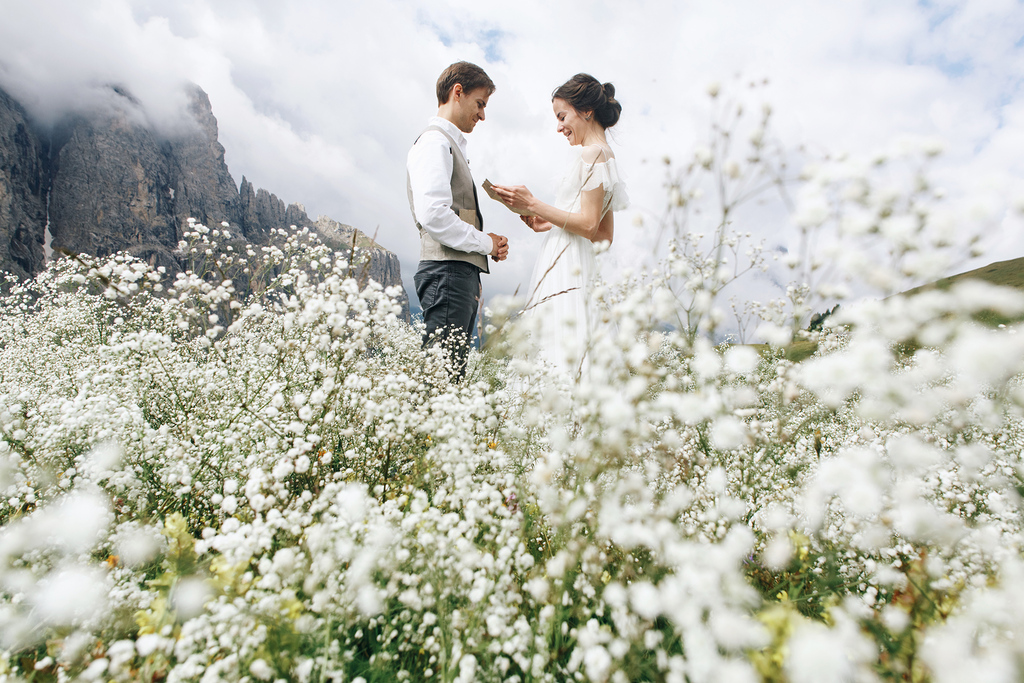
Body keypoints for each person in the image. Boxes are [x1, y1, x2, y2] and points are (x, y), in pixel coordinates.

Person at [491, 73, 628, 378]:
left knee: (558, 351)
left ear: (586, 111)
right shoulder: (604, 155)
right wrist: (550, 223)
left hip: (568, 267)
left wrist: (532, 204)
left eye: (562, 116)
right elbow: (604, 236)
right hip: (577, 262)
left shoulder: (594, 154)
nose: (558, 127)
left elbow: (591, 225)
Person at [407, 62, 509, 380]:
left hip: (456, 276)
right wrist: (486, 242)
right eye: (480, 104)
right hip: (446, 275)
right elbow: (433, 214)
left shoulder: (449, 146)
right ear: (458, 92)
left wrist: (486, 244)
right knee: (440, 383)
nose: (482, 115)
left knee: (449, 381)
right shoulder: (435, 143)